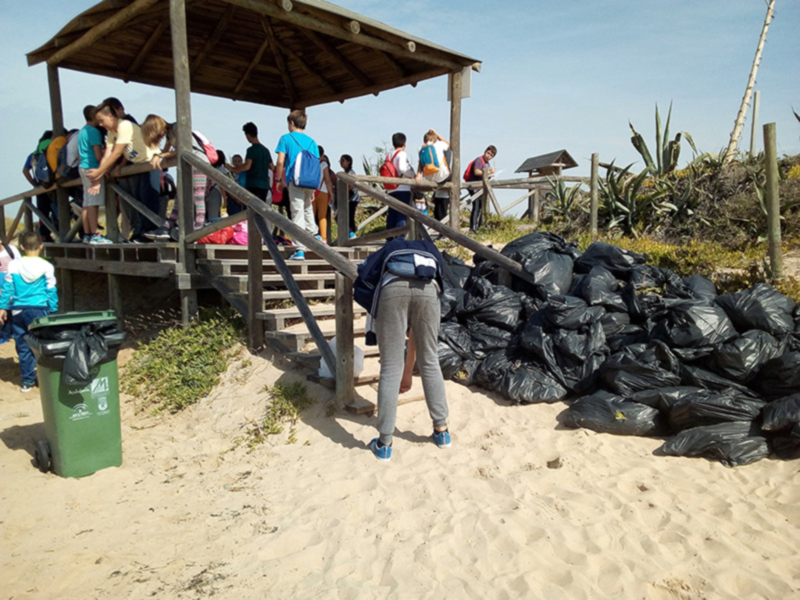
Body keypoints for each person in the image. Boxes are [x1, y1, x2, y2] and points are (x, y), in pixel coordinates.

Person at [354, 238, 451, 461]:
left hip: (393, 289)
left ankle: (385, 443)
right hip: (428, 290)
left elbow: (367, 272)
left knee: (390, 367)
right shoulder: (428, 247)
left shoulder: (392, 246)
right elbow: (442, 275)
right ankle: (442, 432)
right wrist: (409, 371)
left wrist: (405, 371)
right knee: (430, 360)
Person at [88, 101, 160, 242]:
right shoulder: (111, 132)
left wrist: (99, 172)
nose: (101, 124)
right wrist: (101, 173)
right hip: (137, 165)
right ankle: (141, 233)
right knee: (138, 199)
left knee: (148, 199)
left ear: (110, 116)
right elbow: (108, 154)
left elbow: (116, 152)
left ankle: (151, 233)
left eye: (102, 120)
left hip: (149, 163)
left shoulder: (124, 125)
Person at [0, 232, 58, 392]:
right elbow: (51, 290)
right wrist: (53, 309)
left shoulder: (13, 265)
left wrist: (3, 307)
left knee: (23, 345)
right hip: (40, 310)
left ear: (22, 247)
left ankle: (27, 381)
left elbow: (8, 288)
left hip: (19, 311)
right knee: (42, 343)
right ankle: (45, 376)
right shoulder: (47, 266)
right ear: (41, 246)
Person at [140, 115, 211, 238]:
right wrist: (158, 155)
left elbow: (184, 148)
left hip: (198, 162)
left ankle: (198, 228)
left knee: (197, 197)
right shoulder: (169, 134)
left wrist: (161, 156)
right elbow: (166, 151)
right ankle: (168, 226)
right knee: (180, 197)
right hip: (186, 164)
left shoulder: (177, 127)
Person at [274, 110, 320, 261]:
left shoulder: (286, 138)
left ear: (291, 123)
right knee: (307, 209)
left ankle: (300, 249)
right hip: (310, 181)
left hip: (295, 180)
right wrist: (314, 187)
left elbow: (280, 161)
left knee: (297, 212)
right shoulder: (312, 142)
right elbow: (316, 165)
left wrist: (278, 180)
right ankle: (314, 236)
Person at [78, 105, 112, 244]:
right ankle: (95, 234)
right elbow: (98, 155)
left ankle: (87, 234)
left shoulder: (83, 131)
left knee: (87, 202)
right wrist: (106, 166)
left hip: (83, 166)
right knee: (94, 203)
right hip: (93, 168)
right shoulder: (94, 132)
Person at [228, 122, 274, 203]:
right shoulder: (266, 150)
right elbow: (272, 167)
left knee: (253, 210)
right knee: (262, 209)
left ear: (248, 135)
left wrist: (232, 168)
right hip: (265, 186)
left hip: (253, 184)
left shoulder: (251, 150)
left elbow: (247, 166)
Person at [385, 133, 416, 236]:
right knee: (401, 214)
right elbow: (402, 168)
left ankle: (389, 238)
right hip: (402, 187)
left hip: (391, 188)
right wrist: (412, 174)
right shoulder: (402, 154)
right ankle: (400, 237)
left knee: (392, 214)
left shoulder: (389, 155)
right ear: (404, 143)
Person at [465, 145, 497, 232]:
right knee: (476, 206)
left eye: (491, 155)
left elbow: (483, 175)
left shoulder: (487, 163)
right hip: (474, 186)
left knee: (480, 207)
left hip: (480, 187)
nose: (488, 156)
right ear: (485, 151)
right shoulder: (479, 160)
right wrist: (489, 172)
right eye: (488, 153)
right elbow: (476, 171)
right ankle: (473, 227)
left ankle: (479, 226)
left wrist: (489, 176)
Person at [314, 146, 334, 244]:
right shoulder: (324, 164)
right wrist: (331, 194)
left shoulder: (311, 162)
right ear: (322, 154)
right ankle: (323, 238)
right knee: (322, 216)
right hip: (323, 192)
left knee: (311, 215)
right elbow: (327, 180)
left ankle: (310, 235)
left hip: (311, 191)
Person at [339, 154, 359, 239]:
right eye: (340, 161)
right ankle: (351, 234)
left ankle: (351, 234)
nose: (341, 162)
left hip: (352, 198)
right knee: (348, 217)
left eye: (343, 160)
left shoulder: (351, 173)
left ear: (348, 162)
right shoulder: (346, 173)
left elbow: (351, 186)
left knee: (347, 217)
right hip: (348, 199)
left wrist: (341, 188)